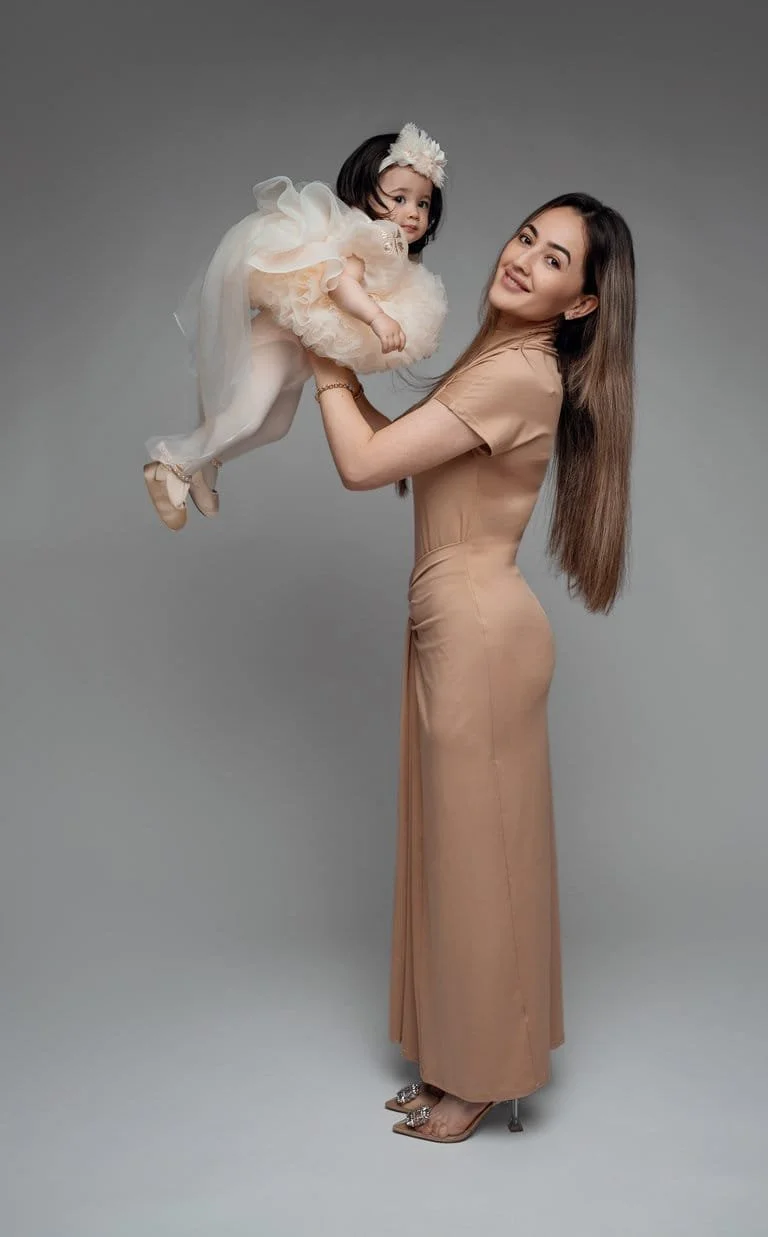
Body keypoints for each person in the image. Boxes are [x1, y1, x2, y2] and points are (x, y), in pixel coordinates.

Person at [306, 191, 636, 1143]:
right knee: (454, 853)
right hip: (453, 621)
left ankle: (485, 1076)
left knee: (477, 861)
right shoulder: (495, 358)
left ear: (579, 305)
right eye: (527, 236)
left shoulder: (521, 373)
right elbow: (398, 451)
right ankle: (457, 1057)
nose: (525, 258)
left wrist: (319, 350)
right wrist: (328, 350)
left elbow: (364, 466)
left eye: (556, 260)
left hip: (479, 633)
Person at [142, 124, 447, 530]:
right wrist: (377, 318)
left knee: (276, 427)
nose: (413, 213)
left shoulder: (394, 254)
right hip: (275, 343)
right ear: (364, 194)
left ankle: (205, 462)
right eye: (399, 198)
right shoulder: (365, 237)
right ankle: (171, 465)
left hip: (297, 358)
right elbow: (341, 284)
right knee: (247, 416)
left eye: (424, 204)